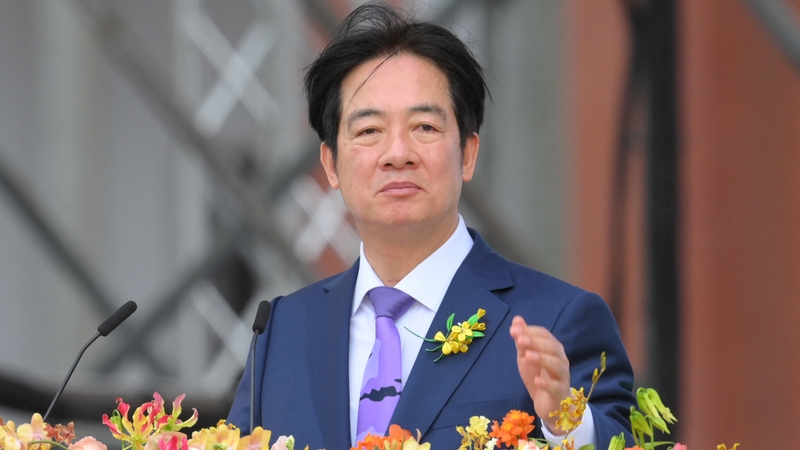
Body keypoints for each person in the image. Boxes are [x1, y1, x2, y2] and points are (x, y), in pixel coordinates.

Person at [228, 3, 635, 449]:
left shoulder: (556, 320)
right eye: (369, 131)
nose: (397, 152)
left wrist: (566, 423)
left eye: (424, 126)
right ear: (331, 165)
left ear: (468, 153)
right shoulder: (282, 332)